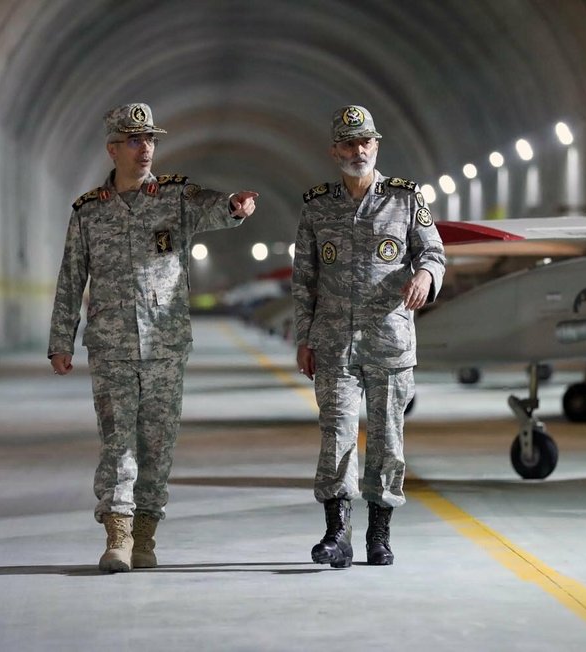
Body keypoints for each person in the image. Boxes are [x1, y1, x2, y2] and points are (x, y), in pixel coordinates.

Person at [48, 102, 258, 572]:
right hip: (112, 346)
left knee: (158, 444)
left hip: (165, 346)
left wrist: (234, 207)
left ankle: (146, 535)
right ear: (113, 149)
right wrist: (61, 339)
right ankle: (117, 537)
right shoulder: (88, 213)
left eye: (151, 140)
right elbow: (71, 278)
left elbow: (212, 208)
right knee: (117, 441)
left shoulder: (174, 197)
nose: (146, 149)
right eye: (135, 140)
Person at [292, 105, 446, 568]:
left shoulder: (405, 199)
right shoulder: (317, 206)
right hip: (334, 342)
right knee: (335, 434)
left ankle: (380, 534)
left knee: (386, 440)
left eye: (366, 142)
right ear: (334, 149)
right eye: (349, 143)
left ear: (376, 145)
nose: (358, 150)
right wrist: (304, 336)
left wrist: (425, 276)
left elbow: (435, 251)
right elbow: (304, 278)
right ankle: (337, 534)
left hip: (389, 341)